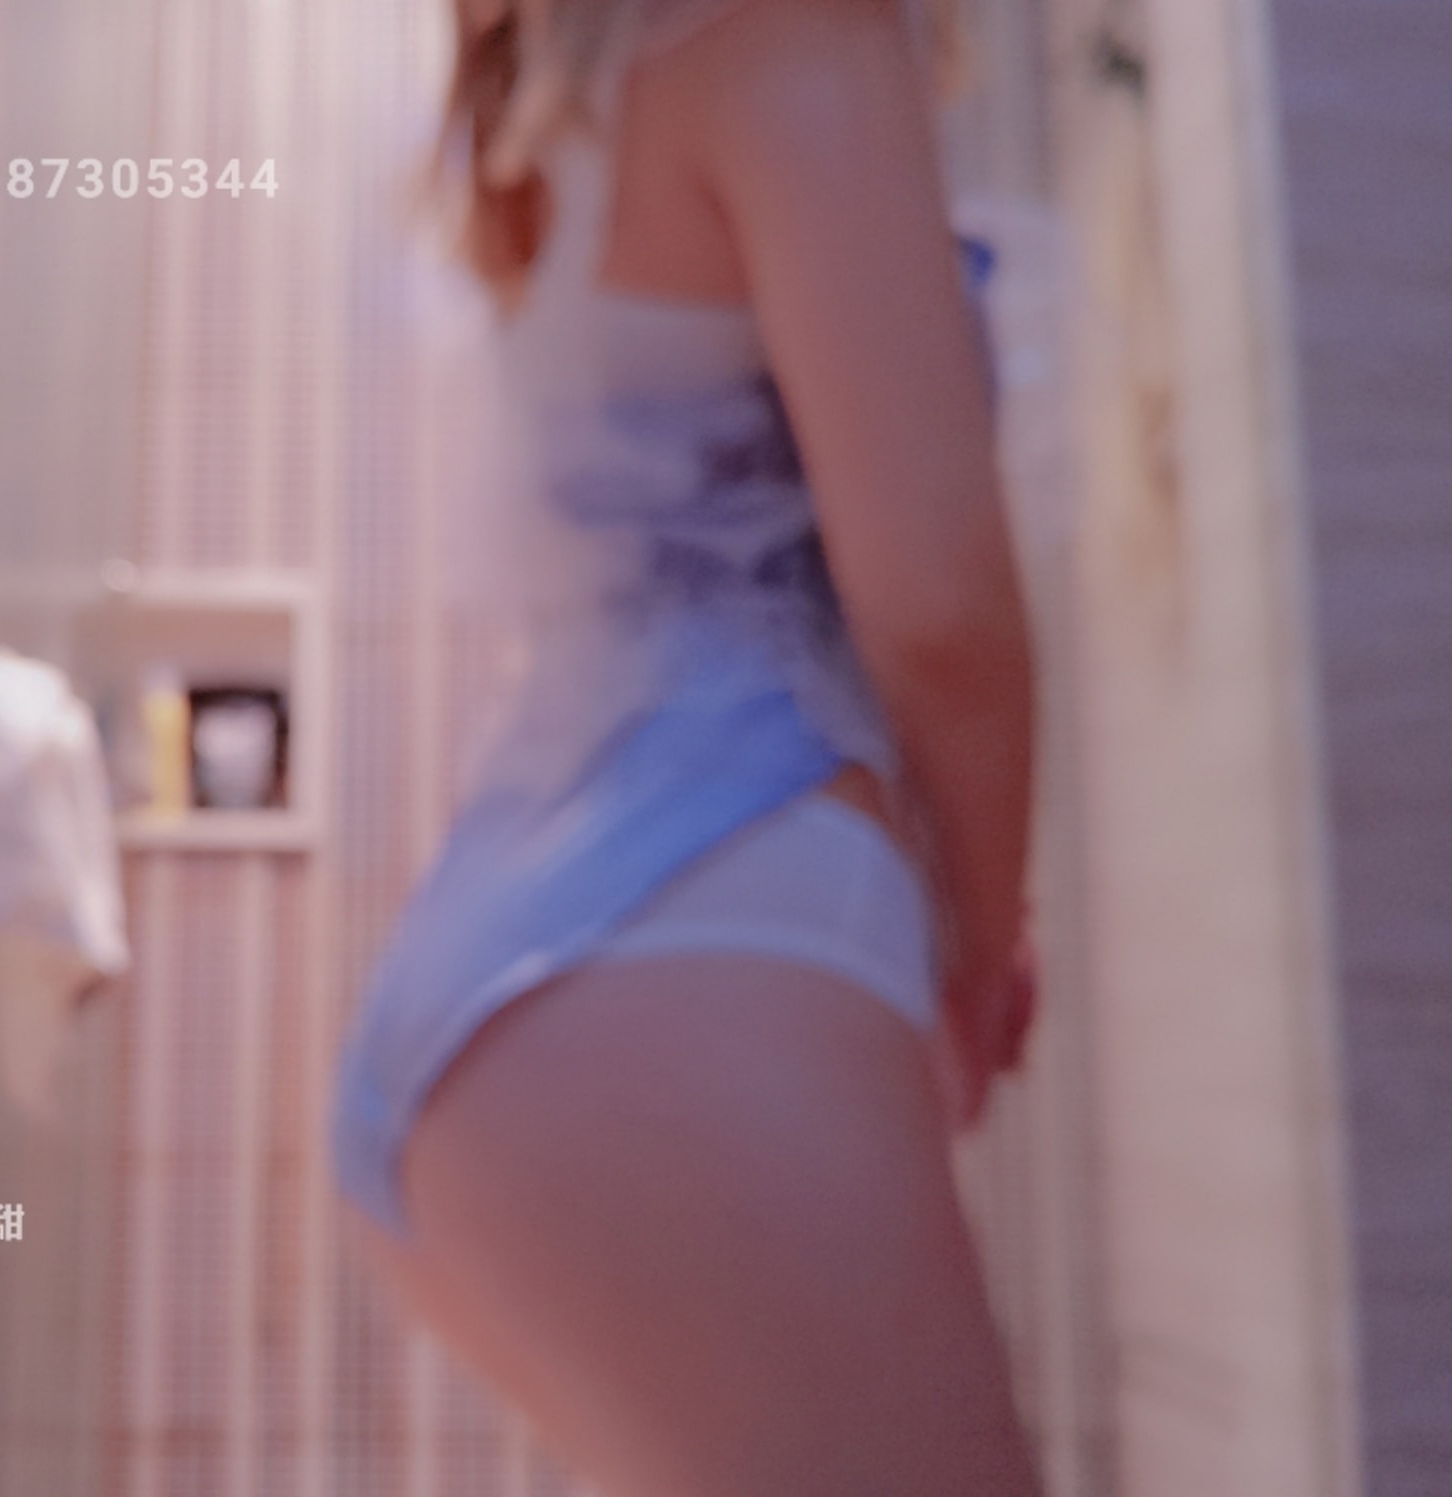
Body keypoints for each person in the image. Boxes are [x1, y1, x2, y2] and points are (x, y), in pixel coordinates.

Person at [329, 0, 1042, 1491]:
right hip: (703, 929)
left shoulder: (584, 93)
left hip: (534, 966)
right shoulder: (788, 33)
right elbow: (940, 610)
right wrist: (978, 947)